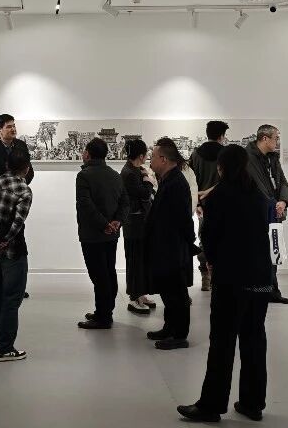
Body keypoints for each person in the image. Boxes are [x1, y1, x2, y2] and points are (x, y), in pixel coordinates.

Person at [177, 144, 275, 423]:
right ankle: (253, 403)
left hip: (231, 278)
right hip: (259, 277)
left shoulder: (220, 196)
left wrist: (211, 261)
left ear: (221, 167)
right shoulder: (259, 194)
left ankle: (211, 404)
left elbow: (209, 236)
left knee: (222, 341)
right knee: (254, 338)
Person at [0, 145, 33, 362]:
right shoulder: (24, 191)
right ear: (26, 168)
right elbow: (15, 226)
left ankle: (0, 340)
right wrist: (1, 240)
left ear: (7, 165)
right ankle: (4, 348)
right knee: (11, 299)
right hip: (13, 251)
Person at [143, 138, 197, 350]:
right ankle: (170, 327)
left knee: (176, 292)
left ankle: (180, 334)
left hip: (172, 247)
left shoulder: (176, 183)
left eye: (153, 157)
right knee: (168, 290)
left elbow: (183, 219)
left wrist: (188, 242)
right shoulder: (169, 179)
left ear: (163, 159)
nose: (150, 161)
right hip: (166, 246)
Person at [75, 137, 129, 329]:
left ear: (88, 154)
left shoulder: (84, 176)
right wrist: (116, 222)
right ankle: (104, 311)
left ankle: (103, 317)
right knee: (108, 272)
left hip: (93, 234)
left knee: (99, 276)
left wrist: (104, 224)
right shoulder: (115, 175)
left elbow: (85, 205)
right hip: (111, 234)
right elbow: (125, 203)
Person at [0, 114, 34, 298]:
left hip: (15, 199)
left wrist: (19, 185)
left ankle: (14, 285)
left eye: (14, 126)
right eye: (9, 126)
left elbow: (29, 170)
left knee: (15, 238)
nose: (13, 129)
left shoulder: (21, 145)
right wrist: (2, 185)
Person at [245, 124, 288, 305]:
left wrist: (283, 201)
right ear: (265, 138)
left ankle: (272, 291)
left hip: (274, 214)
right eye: (276, 138)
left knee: (274, 251)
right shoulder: (247, 158)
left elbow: (283, 182)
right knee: (257, 254)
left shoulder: (273, 159)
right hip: (256, 215)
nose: (277, 141)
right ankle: (258, 291)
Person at [188, 120, 228, 291]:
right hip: (223, 203)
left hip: (202, 204)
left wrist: (196, 203)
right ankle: (219, 276)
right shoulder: (226, 154)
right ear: (221, 136)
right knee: (223, 239)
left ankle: (205, 275)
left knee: (204, 238)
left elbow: (191, 180)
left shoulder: (196, 154)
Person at [121, 139, 157, 316]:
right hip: (134, 224)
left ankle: (140, 294)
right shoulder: (129, 172)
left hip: (139, 222)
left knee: (141, 261)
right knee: (135, 261)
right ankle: (134, 297)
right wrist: (148, 181)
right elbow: (143, 193)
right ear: (141, 155)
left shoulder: (134, 170)